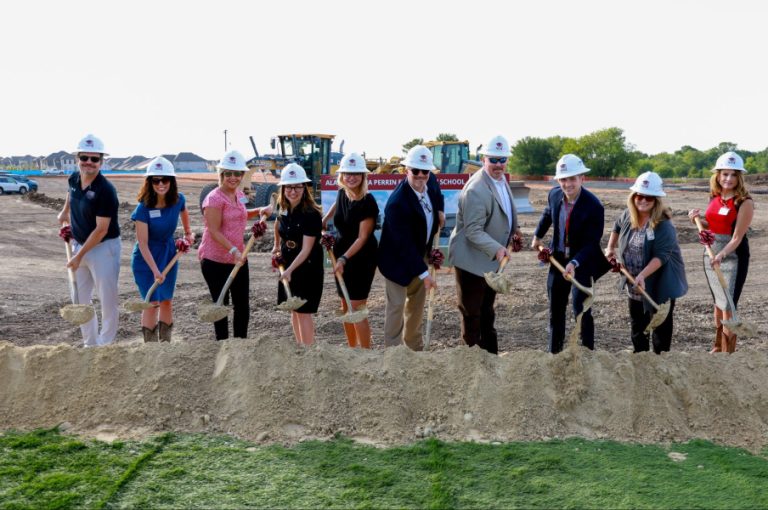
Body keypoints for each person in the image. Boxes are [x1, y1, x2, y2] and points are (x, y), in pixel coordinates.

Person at [448, 135, 522, 354]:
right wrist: (498, 249)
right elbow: (472, 231)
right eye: (493, 159)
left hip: (490, 262)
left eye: (502, 159)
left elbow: (507, 209)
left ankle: (491, 358)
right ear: (483, 159)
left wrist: (514, 232)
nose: (498, 164)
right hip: (471, 262)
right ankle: (472, 363)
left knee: (487, 311)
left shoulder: (500, 180)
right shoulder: (476, 190)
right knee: (472, 314)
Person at [531, 154, 611, 354]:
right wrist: (537, 236)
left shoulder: (594, 206)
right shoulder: (554, 194)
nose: (567, 184)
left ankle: (586, 354)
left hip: (582, 263)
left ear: (582, 178)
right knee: (555, 311)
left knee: (581, 310)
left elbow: (592, 243)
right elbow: (548, 214)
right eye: (563, 179)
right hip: (557, 259)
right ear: (559, 180)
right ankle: (554, 353)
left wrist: (574, 263)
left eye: (572, 179)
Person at [604, 172, 687, 354]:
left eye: (648, 197)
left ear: (656, 199)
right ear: (633, 197)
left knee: (660, 326)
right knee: (637, 324)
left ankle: (660, 361)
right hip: (633, 280)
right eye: (639, 196)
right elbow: (616, 227)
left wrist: (642, 275)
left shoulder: (664, 225)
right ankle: (640, 359)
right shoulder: (628, 215)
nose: (643, 200)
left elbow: (661, 256)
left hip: (658, 282)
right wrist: (610, 248)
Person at [199, 150, 272, 340]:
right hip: (215, 260)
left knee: (242, 305)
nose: (233, 178)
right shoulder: (214, 199)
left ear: (242, 175)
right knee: (220, 305)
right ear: (221, 174)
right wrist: (233, 250)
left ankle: (240, 346)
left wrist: (259, 210)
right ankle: (222, 346)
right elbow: (213, 231)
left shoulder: (238, 195)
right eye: (228, 173)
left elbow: (240, 214)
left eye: (237, 174)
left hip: (238, 259)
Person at [378, 145, 445, 351]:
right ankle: (393, 352)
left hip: (419, 255)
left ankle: (414, 348)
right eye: (415, 171)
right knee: (397, 307)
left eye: (425, 171)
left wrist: (440, 211)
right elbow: (403, 246)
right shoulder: (397, 204)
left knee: (416, 306)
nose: (420, 176)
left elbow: (437, 193)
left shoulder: (430, 181)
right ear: (407, 170)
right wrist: (425, 274)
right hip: (397, 261)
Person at [57, 134, 121, 347]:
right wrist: (65, 212)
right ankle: (90, 344)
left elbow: (101, 230)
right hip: (79, 245)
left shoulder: (106, 191)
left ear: (101, 162)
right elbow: (70, 193)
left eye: (95, 159)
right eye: (85, 157)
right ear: (78, 158)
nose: (89, 163)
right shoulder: (74, 178)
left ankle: (106, 343)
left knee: (107, 299)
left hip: (103, 247)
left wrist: (79, 256)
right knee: (80, 298)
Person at [687, 151, 754, 353]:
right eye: (725, 174)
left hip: (732, 256)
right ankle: (718, 345)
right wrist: (697, 219)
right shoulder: (715, 196)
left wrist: (722, 255)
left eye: (733, 175)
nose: (728, 179)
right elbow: (715, 224)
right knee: (717, 303)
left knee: (727, 305)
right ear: (717, 175)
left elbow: (737, 237)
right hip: (711, 254)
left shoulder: (744, 201)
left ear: (739, 177)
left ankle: (728, 352)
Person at [130, 156, 195, 343]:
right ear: (149, 182)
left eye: (165, 179)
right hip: (146, 259)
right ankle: (151, 348)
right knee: (151, 303)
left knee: (166, 299)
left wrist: (188, 233)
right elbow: (142, 243)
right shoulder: (143, 208)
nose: (160, 184)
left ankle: (165, 346)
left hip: (168, 254)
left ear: (171, 181)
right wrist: (155, 270)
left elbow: (183, 210)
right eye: (155, 180)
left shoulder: (178, 199)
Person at [321, 152, 379, 348]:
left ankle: (365, 353)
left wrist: (343, 259)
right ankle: (352, 349)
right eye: (347, 173)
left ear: (363, 176)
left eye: (356, 174)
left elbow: (362, 238)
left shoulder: (368, 202)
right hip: (341, 256)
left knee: (356, 308)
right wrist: (325, 220)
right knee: (345, 304)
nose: (351, 177)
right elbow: (338, 204)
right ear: (342, 176)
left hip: (361, 259)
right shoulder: (342, 192)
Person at [273, 163, 325, 346]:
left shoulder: (311, 214)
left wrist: (289, 271)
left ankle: (308, 351)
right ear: (283, 188)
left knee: (303, 311)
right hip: (289, 264)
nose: (292, 191)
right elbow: (278, 225)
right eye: (288, 187)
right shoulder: (283, 207)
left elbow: (307, 249)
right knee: (294, 310)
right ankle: (300, 348)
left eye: (297, 186)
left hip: (307, 267)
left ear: (304, 187)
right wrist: (276, 245)